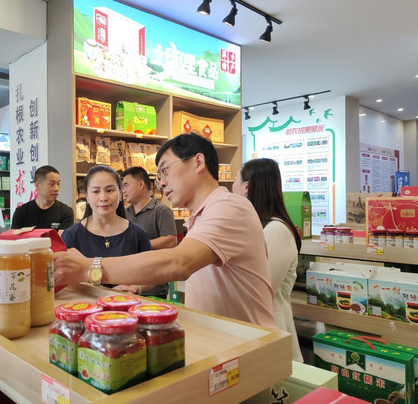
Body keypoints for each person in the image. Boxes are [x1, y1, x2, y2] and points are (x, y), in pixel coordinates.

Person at [55, 133, 276, 329]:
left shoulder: (229, 206)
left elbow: (179, 263)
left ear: (198, 162)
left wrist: (89, 267)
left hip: (249, 342)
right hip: (224, 339)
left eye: (164, 170)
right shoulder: (200, 217)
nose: (161, 183)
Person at [233, 158, 304, 362]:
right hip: (253, 331)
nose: (232, 186)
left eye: (235, 179)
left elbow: (262, 288)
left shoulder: (277, 230)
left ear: (247, 187)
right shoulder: (256, 226)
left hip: (271, 331)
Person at [61, 165, 151, 289]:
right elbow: (63, 278)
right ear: (87, 196)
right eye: (96, 191)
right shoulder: (71, 235)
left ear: (120, 193)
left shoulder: (137, 234)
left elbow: (150, 274)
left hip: (125, 300)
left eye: (109, 190)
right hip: (85, 301)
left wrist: (135, 288)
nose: (103, 198)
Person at [120, 166, 177, 298]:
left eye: (126, 185)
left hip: (154, 288)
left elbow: (171, 241)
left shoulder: (161, 211)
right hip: (128, 286)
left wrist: (141, 244)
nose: (123, 191)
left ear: (141, 184)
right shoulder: (125, 213)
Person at [11, 165, 74, 234]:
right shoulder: (21, 212)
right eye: (52, 184)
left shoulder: (66, 212)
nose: (56, 188)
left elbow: (61, 239)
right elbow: (14, 238)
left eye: (58, 184)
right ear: (37, 185)